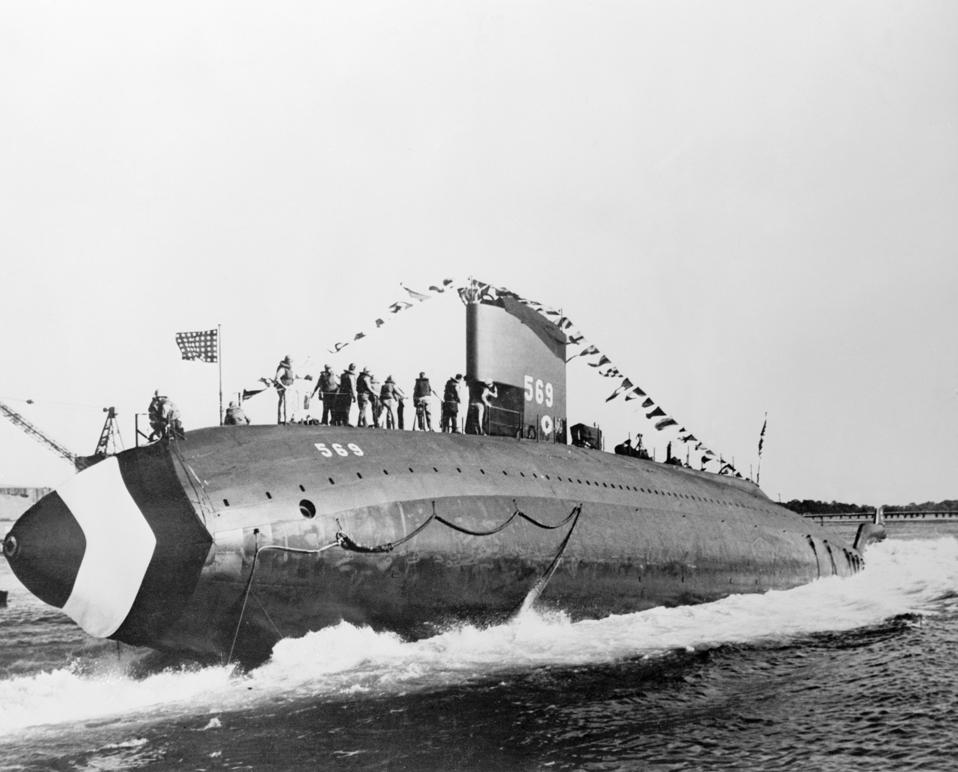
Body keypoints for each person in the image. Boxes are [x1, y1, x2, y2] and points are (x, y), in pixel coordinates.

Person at [274, 355, 295, 424]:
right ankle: (281, 420)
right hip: (282, 388)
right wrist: (283, 386)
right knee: (283, 402)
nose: (291, 362)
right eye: (290, 361)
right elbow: (277, 378)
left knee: (289, 403)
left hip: (289, 388)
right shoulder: (282, 369)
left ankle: (288, 419)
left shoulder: (289, 369)